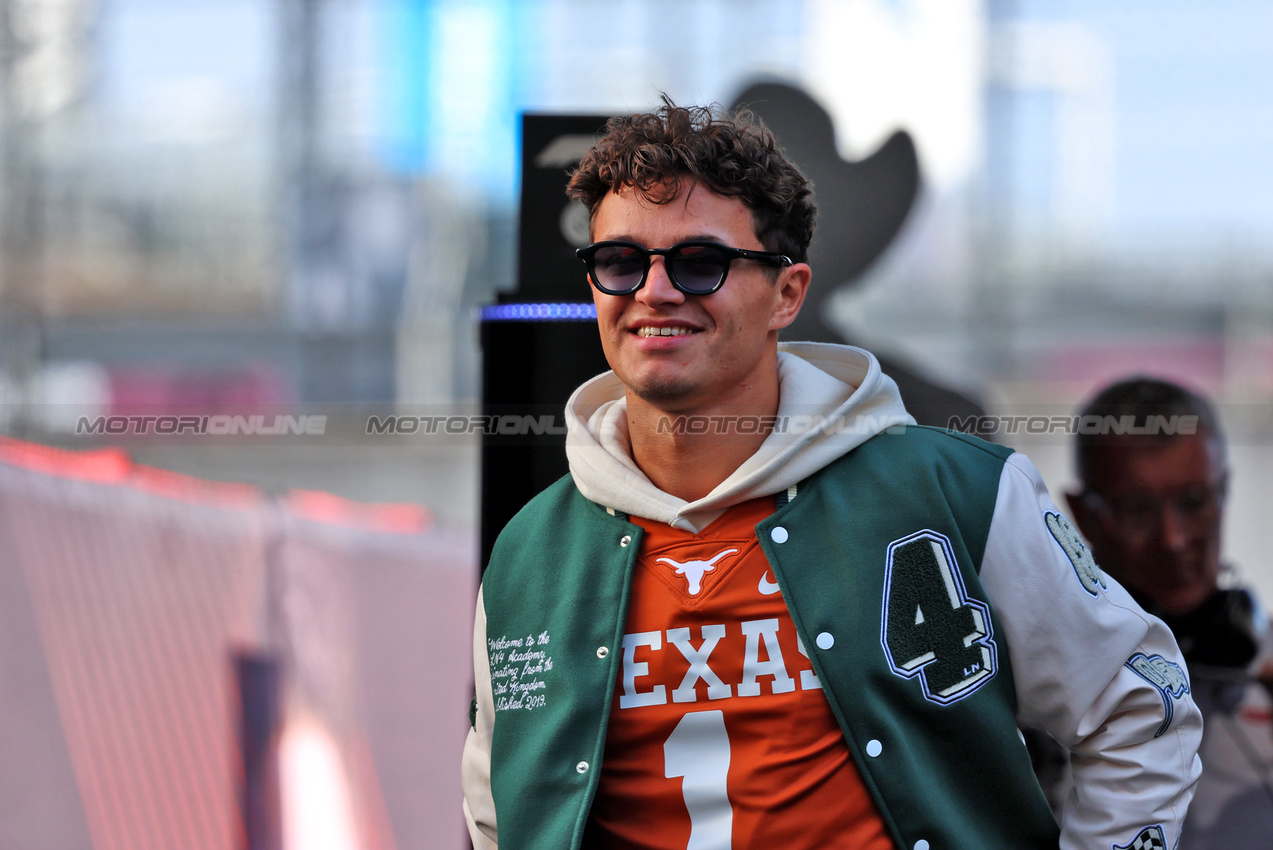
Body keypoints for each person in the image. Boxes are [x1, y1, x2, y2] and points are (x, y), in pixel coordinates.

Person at [461, 99, 1202, 850]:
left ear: (786, 293)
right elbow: (497, 810)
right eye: (620, 262)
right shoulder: (530, 552)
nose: (654, 292)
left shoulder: (958, 493)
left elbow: (1137, 706)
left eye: (699, 262)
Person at [1065, 376, 1273, 848]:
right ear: (1081, 515)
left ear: (1225, 490)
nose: (1173, 539)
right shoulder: (1040, 693)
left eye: (1194, 502)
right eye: (1137, 509)